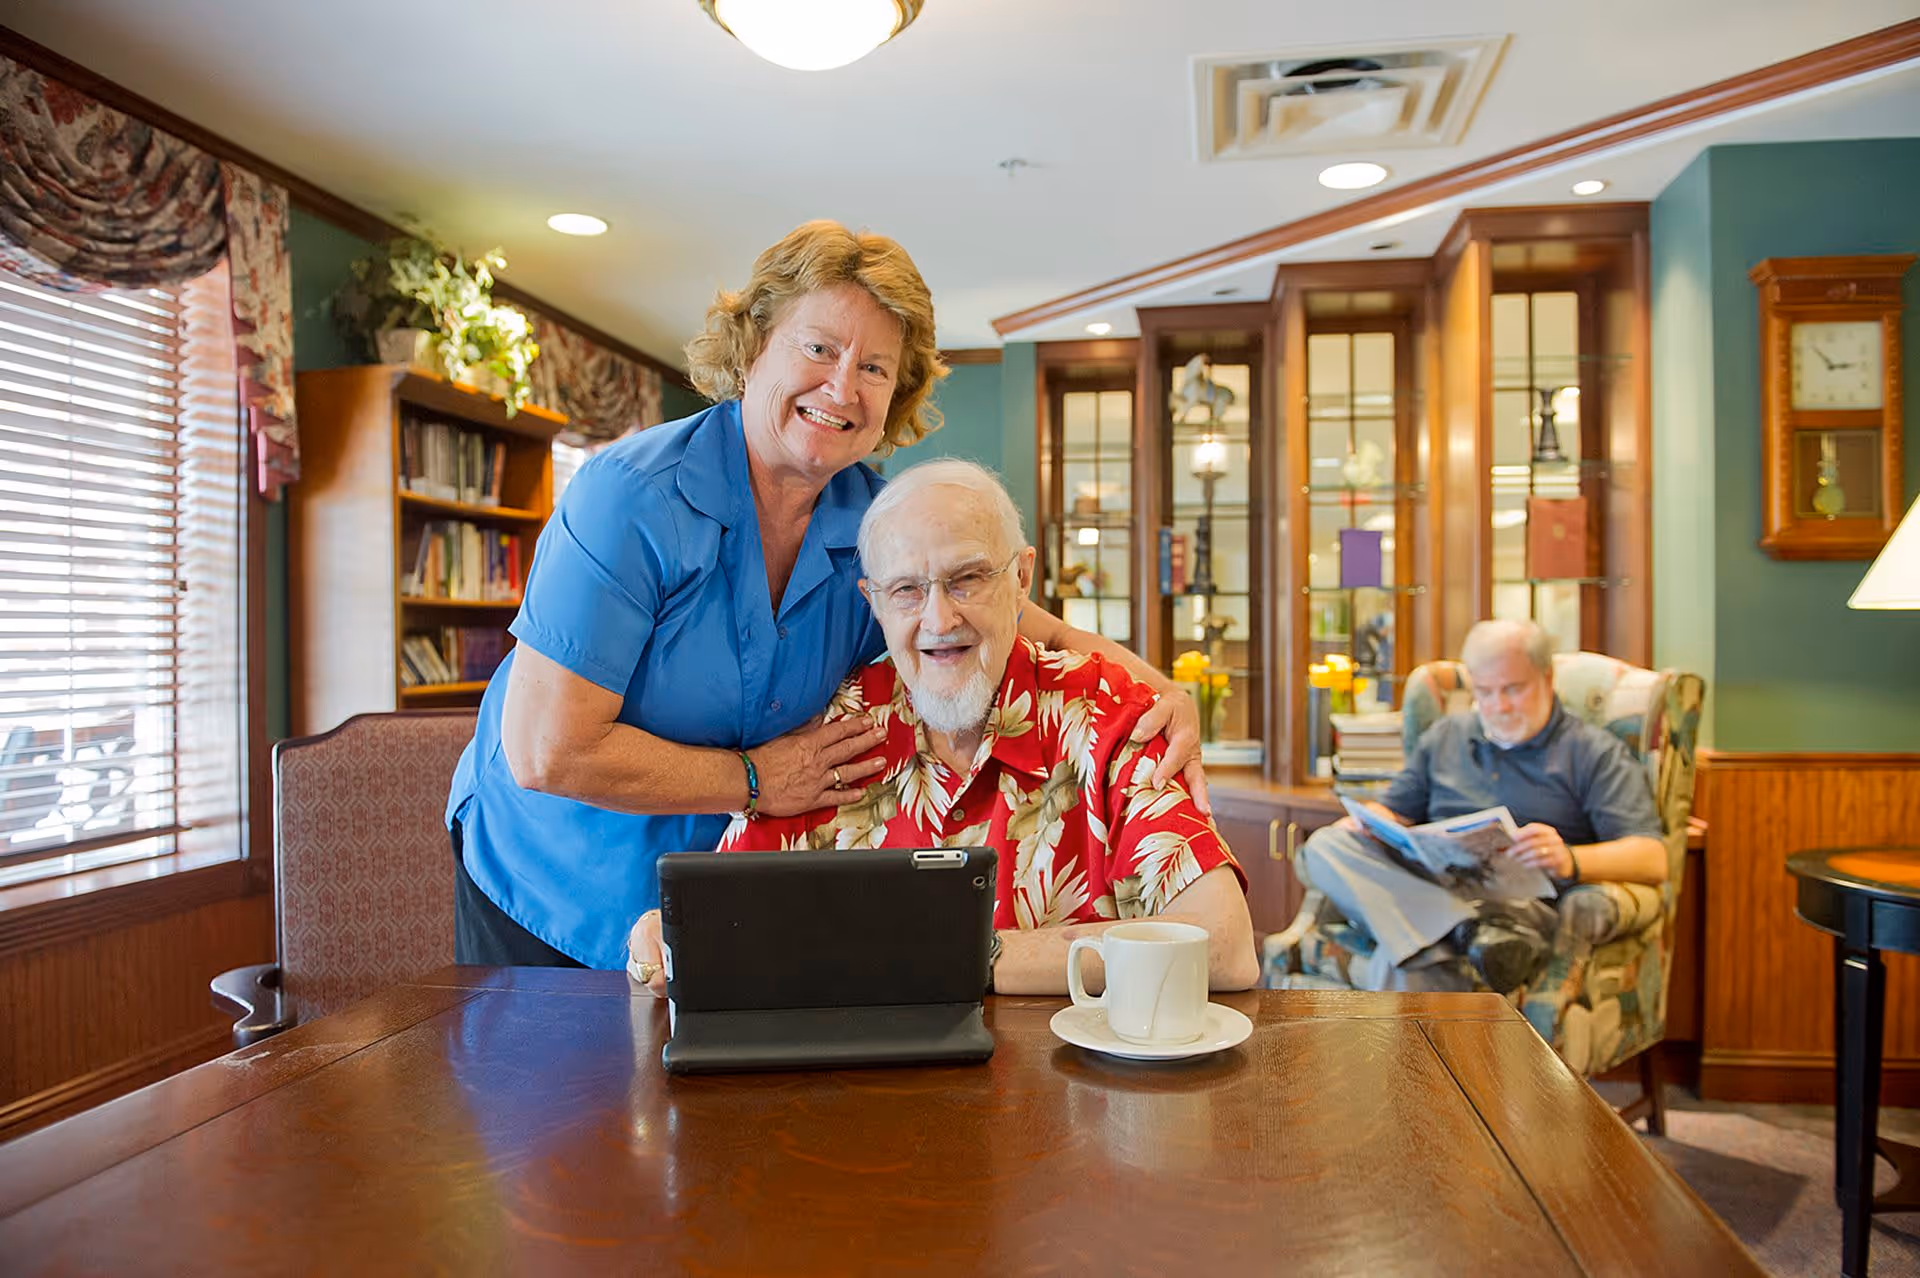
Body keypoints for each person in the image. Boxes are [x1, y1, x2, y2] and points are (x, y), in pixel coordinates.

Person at [445, 221, 1205, 971]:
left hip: (710, 889)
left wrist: (1158, 689)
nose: (842, 387)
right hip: (547, 881)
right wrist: (755, 781)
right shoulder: (631, 499)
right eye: (819, 348)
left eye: (875, 368)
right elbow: (547, 752)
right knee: (559, 1097)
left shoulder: (871, 523)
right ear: (752, 349)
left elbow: (1006, 612)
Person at [627, 459, 1259, 996]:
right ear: (871, 601)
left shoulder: (1111, 717)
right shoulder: (833, 736)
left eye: (967, 579)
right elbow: (718, 928)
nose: (938, 618)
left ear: (1021, 580)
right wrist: (662, 937)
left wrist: (956, 954)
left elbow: (1224, 947)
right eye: (906, 589)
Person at [1299, 618, 1666, 994]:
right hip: (1433, 886)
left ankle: (1446, 934)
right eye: (1485, 692)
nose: (1498, 706)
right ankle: (1463, 931)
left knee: (1404, 962)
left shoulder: (1592, 753)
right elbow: (1396, 809)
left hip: (1515, 911)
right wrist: (1371, 821)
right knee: (1326, 845)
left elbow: (1653, 857)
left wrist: (1570, 859)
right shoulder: (1448, 735)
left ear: (1547, 677)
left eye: (1513, 689)